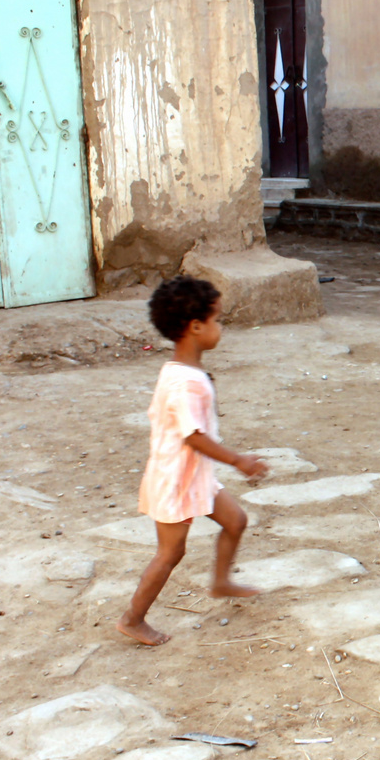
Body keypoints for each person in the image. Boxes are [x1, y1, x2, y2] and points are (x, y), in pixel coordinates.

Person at [117, 276, 269, 646]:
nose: (221, 328)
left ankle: (220, 581)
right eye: (217, 320)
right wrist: (238, 460)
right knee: (171, 553)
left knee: (235, 520)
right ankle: (133, 619)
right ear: (196, 327)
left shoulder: (181, 371)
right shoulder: (186, 383)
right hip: (175, 481)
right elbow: (193, 436)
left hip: (193, 475)